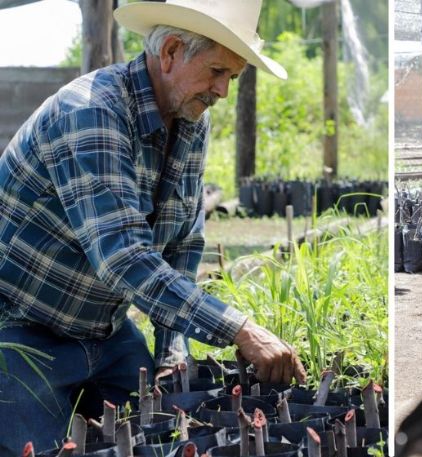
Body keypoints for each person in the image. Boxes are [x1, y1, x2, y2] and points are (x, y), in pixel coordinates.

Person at [0, 0, 306, 453]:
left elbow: (182, 243)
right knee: (43, 449)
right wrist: (240, 330)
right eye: (217, 71)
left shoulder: (188, 119)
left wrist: (170, 353)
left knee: (166, 433)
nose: (222, 91)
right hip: (20, 331)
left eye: (232, 78)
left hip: (104, 333)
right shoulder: (91, 113)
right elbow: (123, 258)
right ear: (170, 53)